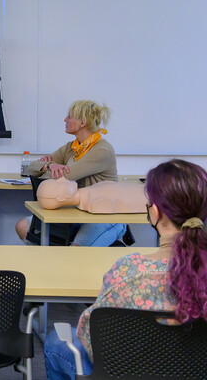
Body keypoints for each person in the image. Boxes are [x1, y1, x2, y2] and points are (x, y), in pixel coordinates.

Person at [44, 159, 207, 379]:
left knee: (56, 342)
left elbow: (91, 339)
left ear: (155, 212)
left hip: (126, 372)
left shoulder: (129, 271)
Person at [15, 100, 124, 246]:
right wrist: (49, 165)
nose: (65, 120)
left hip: (105, 216)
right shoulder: (72, 147)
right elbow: (32, 168)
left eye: (69, 116)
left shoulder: (102, 150)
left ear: (82, 122)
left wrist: (50, 170)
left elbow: (66, 176)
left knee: (74, 251)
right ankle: (54, 260)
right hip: (77, 212)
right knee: (22, 227)